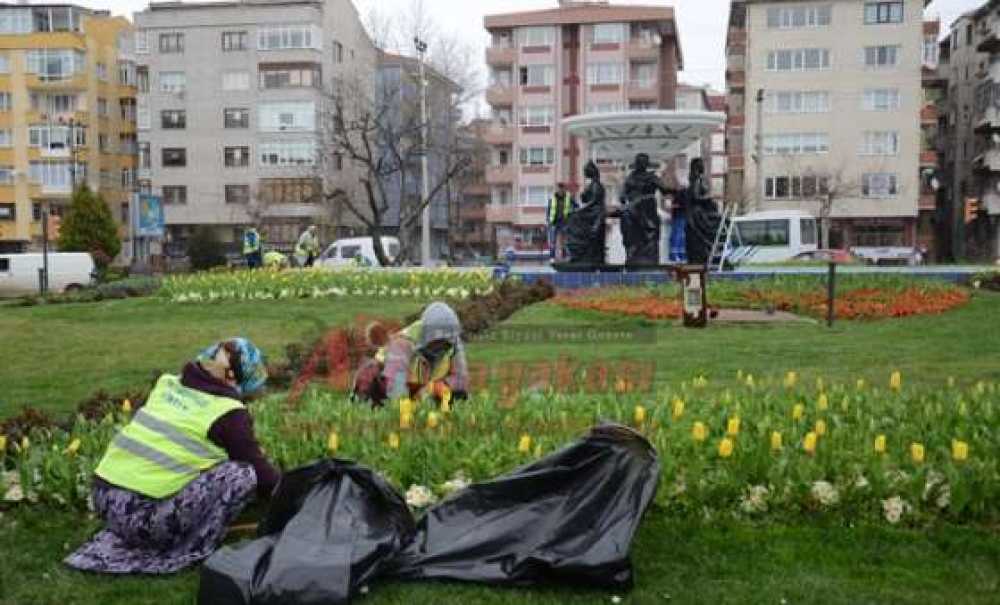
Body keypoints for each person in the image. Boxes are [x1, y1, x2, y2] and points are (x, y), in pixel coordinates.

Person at [65, 339, 280, 575]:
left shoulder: (167, 384)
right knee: (241, 474)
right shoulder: (228, 413)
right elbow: (261, 474)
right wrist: (293, 491)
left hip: (104, 501)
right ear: (233, 379)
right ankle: (186, 545)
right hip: (142, 519)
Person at [353, 302, 469, 407]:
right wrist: (411, 404)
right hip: (390, 381)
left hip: (423, 383)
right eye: (436, 342)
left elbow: (461, 379)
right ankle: (364, 407)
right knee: (369, 373)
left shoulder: (453, 342)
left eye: (445, 344)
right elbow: (396, 388)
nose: (440, 348)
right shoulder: (403, 343)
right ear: (427, 336)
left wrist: (440, 386)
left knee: (458, 394)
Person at [615, 153, 671, 266]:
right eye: (640, 162)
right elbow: (622, 195)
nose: (641, 164)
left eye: (642, 162)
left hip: (646, 211)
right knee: (627, 217)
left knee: (632, 214)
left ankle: (639, 252)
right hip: (636, 211)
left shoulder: (651, 177)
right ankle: (633, 250)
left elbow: (664, 190)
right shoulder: (631, 178)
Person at [563, 161, 607, 266]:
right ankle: (575, 247)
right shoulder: (591, 184)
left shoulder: (596, 185)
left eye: (585, 171)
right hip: (591, 210)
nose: (584, 173)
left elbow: (594, 201)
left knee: (574, 216)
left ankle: (578, 248)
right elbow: (585, 199)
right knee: (572, 216)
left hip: (596, 211)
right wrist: (583, 195)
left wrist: (580, 210)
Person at [546, 183, 576, 262]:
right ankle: (552, 257)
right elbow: (548, 210)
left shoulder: (568, 198)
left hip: (564, 222)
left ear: (564, 189)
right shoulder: (552, 198)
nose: (560, 191)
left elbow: (576, 206)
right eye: (559, 189)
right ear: (557, 189)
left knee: (565, 241)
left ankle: (564, 256)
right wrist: (548, 221)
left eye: (561, 189)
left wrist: (571, 213)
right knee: (553, 241)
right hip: (554, 222)